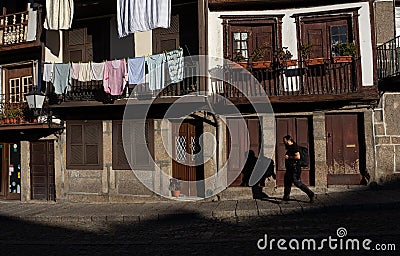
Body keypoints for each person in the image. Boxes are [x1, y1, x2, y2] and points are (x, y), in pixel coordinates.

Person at [282, 135, 314, 203]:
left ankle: (310, 194)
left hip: (295, 169)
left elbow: (298, 157)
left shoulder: (294, 147)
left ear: (288, 140)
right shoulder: (290, 147)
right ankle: (286, 197)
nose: (284, 142)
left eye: (284, 140)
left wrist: (289, 157)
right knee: (287, 182)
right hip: (290, 169)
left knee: (297, 183)